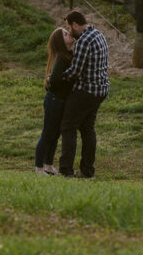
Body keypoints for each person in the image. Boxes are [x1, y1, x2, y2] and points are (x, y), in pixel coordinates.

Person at [57, 10, 109, 178]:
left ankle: (66, 171)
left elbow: (75, 71)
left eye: (69, 28)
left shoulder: (83, 41)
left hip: (86, 90)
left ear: (75, 25)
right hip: (100, 90)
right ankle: (87, 171)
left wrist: (57, 77)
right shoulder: (99, 35)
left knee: (68, 126)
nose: (70, 33)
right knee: (87, 129)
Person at [34, 26, 74, 175]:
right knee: (47, 133)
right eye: (65, 34)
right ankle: (38, 167)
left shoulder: (69, 55)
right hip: (54, 100)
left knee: (55, 134)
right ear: (60, 41)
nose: (69, 34)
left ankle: (49, 165)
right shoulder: (62, 58)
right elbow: (55, 80)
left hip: (60, 100)